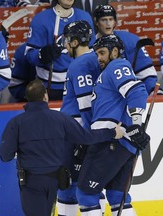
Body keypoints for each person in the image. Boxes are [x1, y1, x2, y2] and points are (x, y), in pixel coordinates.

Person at [0, 78, 124, 216]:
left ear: (27, 98)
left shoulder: (16, 123)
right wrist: (112, 132)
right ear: (45, 96)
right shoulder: (61, 119)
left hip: (31, 181)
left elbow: (5, 156)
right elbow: (87, 137)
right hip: (54, 180)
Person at [76, 34, 150, 216]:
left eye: (102, 53)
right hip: (123, 145)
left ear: (115, 51)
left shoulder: (117, 65)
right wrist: (134, 129)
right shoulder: (108, 72)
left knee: (86, 193)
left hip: (109, 142)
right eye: (96, 54)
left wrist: (137, 125)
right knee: (117, 195)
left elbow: (137, 90)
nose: (99, 58)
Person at [58, 20, 105, 216]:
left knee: (68, 184)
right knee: (92, 184)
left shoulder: (80, 64)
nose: (66, 45)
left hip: (77, 132)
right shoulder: (97, 60)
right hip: (88, 131)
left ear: (76, 42)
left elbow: (86, 105)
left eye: (68, 40)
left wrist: (87, 138)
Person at [25, 0, 96, 100]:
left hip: (81, 82)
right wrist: (42, 54)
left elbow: (93, 51)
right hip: (50, 87)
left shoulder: (85, 17)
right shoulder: (40, 20)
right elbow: (30, 55)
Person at [93, 4, 163, 95]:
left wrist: (153, 91)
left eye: (111, 19)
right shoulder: (89, 44)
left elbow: (146, 74)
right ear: (96, 22)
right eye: (104, 20)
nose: (108, 24)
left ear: (115, 21)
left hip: (128, 95)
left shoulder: (130, 40)